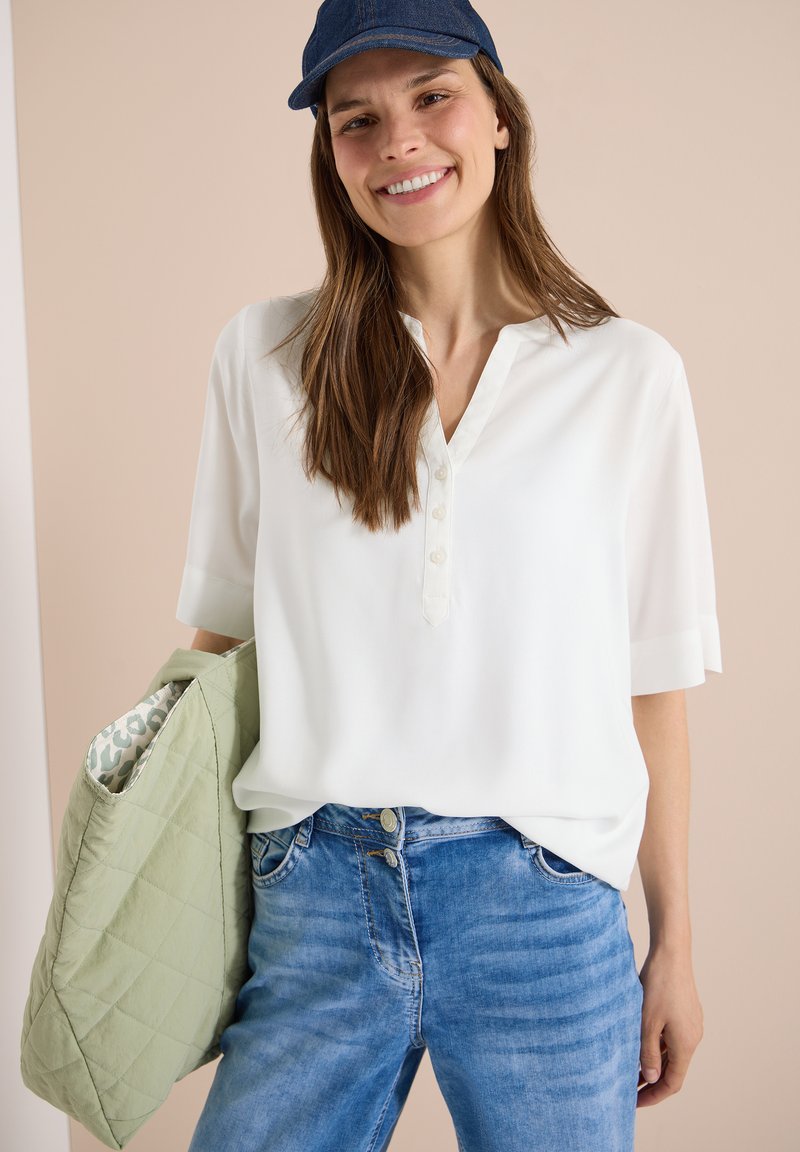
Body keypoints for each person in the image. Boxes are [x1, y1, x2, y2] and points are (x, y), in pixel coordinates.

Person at [177, 2, 722, 1149]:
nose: (398, 144)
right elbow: (214, 657)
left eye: (432, 97)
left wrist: (670, 942)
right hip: (314, 887)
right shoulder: (265, 357)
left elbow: (650, 683)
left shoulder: (625, 375)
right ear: (329, 156)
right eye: (355, 120)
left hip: (544, 900)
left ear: (498, 116)